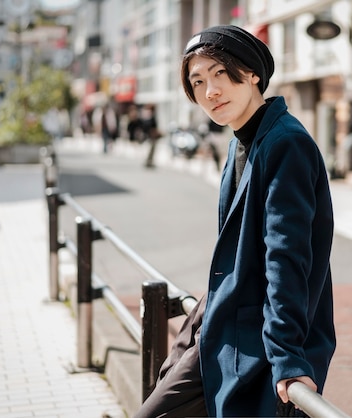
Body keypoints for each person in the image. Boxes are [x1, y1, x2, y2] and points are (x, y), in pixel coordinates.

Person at [134, 25, 336, 417]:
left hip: (260, 343)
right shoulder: (241, 143)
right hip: (223, 329)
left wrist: (288, 357)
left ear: (253, 73)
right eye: (197, 81)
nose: (210, 91)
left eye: (220, 74)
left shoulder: (286, 143)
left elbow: (287, 256)